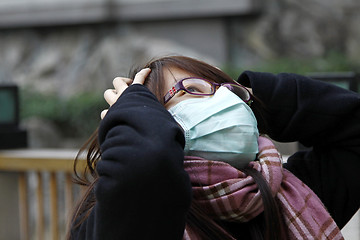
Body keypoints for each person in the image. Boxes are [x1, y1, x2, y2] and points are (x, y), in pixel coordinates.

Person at [67, 56, 360, 240]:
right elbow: (147, 167)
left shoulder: (290, 196)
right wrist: (133, 108)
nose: (225, 101)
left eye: (231, 94)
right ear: (153, 119)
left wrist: (252, 96)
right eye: (193, 89)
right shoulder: (113, 212)